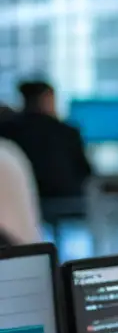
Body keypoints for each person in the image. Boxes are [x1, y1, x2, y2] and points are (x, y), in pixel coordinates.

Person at [0, 80, 94, 226]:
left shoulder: (8, 130)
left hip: (25, 201)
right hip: (68, 198)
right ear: (47, 99)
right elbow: (86, 171)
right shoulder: (67, 131)